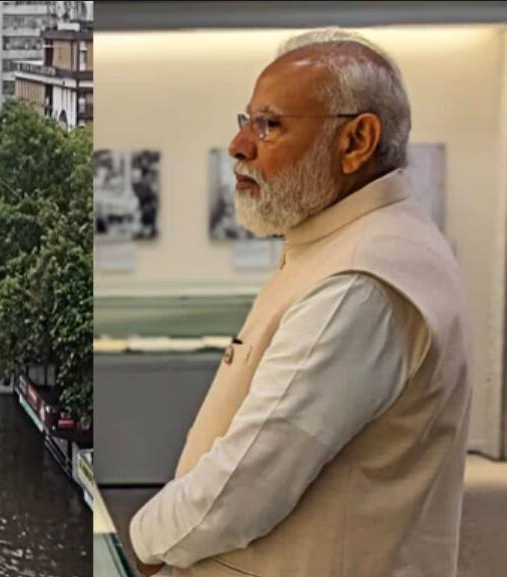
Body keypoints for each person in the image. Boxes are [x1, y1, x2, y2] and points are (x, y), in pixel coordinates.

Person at [129, 28, 470, 577]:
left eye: (270, 125)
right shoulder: (366, 243)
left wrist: (143, 541)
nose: (240, 147)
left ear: (356, 141)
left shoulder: (359, 282)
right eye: (246, 123)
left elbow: (245, 486)